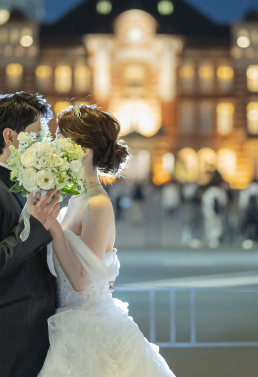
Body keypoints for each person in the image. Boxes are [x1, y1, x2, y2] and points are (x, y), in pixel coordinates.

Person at [38, 104, 175, 376]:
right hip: (70, 321)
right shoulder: (76, 199)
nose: (54, 144)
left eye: (60, 138)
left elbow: (81, 281)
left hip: (89, 327)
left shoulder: (98, 204)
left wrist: (53, 228)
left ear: (83, 150)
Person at [0, 92, 62, 377]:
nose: (45, 143)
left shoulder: (25, 186)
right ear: (10, 136)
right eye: (38, 134)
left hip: (36, 334)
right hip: (7, 339)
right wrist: (32, 229)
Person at [201, 171, 229, 248]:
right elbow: (223, 203)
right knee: (216, 228)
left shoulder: (209, 192)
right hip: (215, 214)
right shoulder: (219, 192)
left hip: (209, 213)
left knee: (211, 227)